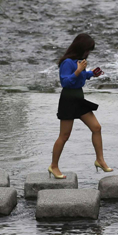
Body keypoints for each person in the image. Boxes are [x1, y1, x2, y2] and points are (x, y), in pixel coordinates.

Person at [48, 33, 112, 179]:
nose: (88, 53)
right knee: (64, 136)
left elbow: (81, 76)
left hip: (79, 98)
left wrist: (91, 74)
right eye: (87, 50)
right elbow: (65, 82)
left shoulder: (79, 61)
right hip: (68, 99)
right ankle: (53, 166)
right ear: (81, 48)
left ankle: (100, 160)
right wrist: (77, 71)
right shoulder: (67, 63)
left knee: (96, 128)